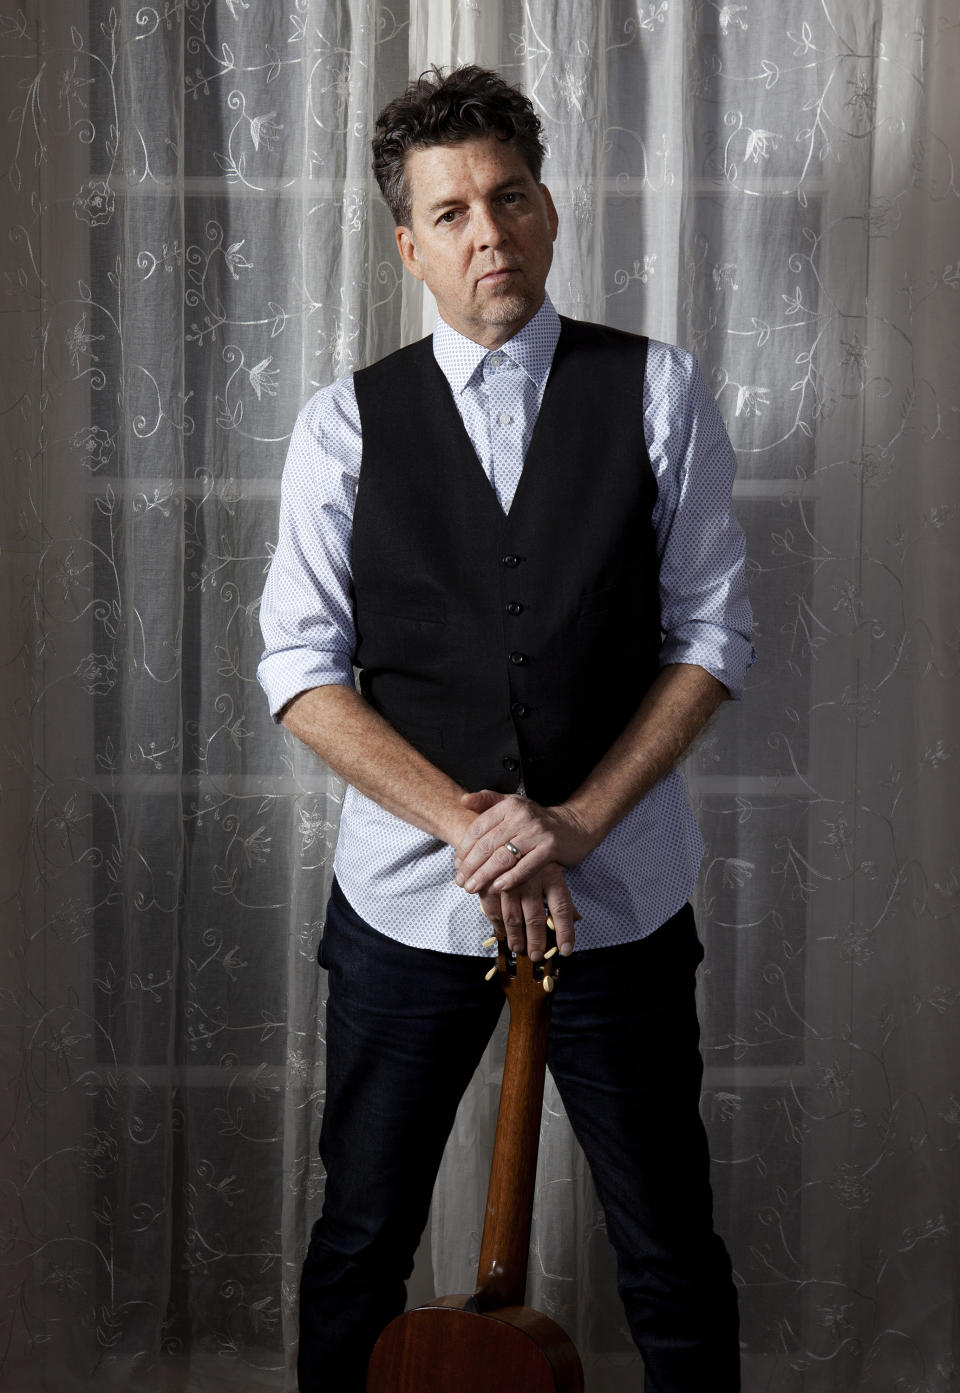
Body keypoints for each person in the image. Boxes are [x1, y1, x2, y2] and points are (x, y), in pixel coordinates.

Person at [258, 64, 752, 1393]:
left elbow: (711, 636)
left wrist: (576, 821)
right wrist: (476, 827)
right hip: (406, 905)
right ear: (409, 245)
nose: (489, 230)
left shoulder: (660, 394)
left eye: (510, 195)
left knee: (671, 1255)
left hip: (622, 897)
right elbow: (301, 672)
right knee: (358, 1241)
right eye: (454, 210)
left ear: (549, 210)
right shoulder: (342, 425)